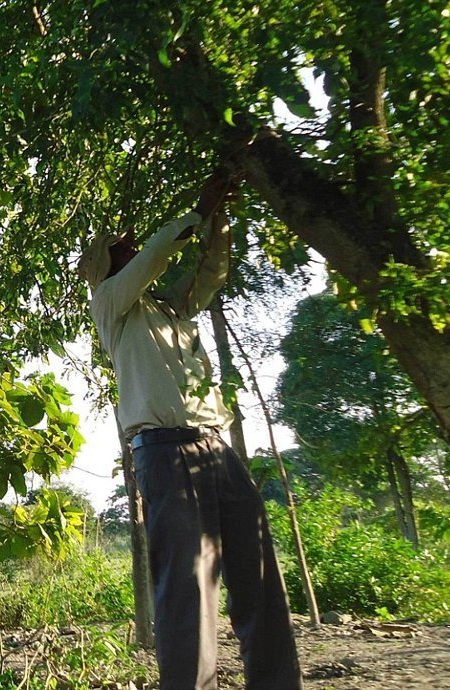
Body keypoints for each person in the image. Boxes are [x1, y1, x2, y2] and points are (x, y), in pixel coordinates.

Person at [78, 171, 304, 690]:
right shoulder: (111, 303)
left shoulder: (170, 310)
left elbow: (212, 273)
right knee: (187, 589)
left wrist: (217, 221)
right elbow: (155, 253)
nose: (132, 248)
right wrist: (194, 213)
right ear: (105, 265)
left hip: (216, 451)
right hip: (164, 455)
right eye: (121, 248)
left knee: (259, 576)